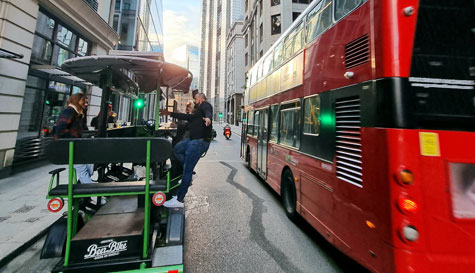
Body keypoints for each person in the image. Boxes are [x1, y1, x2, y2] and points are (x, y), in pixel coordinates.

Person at [161, 93, 213, 208]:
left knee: (187, 171)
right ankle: (189, 172)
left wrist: (208, 117)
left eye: (195, 99)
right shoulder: (197, 113)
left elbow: (208, 110)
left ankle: (179, 200)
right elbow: (185, 117)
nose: (194, 101)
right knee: (177, 149)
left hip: (198, 142)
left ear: (200, 98)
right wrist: (169, 113)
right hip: (192, 140)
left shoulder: (205, 105)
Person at [54, 93, 94, 184]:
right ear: (77, 101)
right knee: (83, 171)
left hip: (77, 147)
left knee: (89, 168)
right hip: (70, 147)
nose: (86, 104)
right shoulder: (69, 111)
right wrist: (75, 138)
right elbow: (59, 130)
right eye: (84, 101)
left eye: (87, 102)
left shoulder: (77, 113)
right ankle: (97, 196)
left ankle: (84, 190)